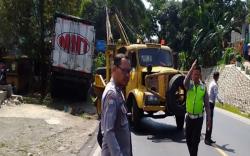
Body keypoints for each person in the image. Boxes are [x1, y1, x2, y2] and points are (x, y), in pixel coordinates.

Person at [101, 53, 132, 156]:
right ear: (114, 69)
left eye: (129, 71)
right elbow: (108, 131)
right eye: (124, 71)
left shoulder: (119, 91)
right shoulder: (112, 94)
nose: (127, 75)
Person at [183, 60, 211, 156]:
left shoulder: (203, 88)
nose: (196, 76)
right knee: (188, 139)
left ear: (200, 75)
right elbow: (184, 82)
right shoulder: (189, 85)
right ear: (192, 75)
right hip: (189, 117)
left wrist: (209, 119)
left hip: (198, 118)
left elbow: (207, 106)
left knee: (195, 141)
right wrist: (191, 68)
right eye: (194, 74)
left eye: (198, 74)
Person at [204, 72, 223, 145]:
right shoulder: (215, 85)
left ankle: (208, 138)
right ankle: (207, 139)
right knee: (209, 122)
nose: (218, 78)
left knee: (209, 121)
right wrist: (221, 101)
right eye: (218, 76)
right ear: (217, 77)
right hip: (211, 104)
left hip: (209, 103)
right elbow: (216, 95)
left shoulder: (212, 83)